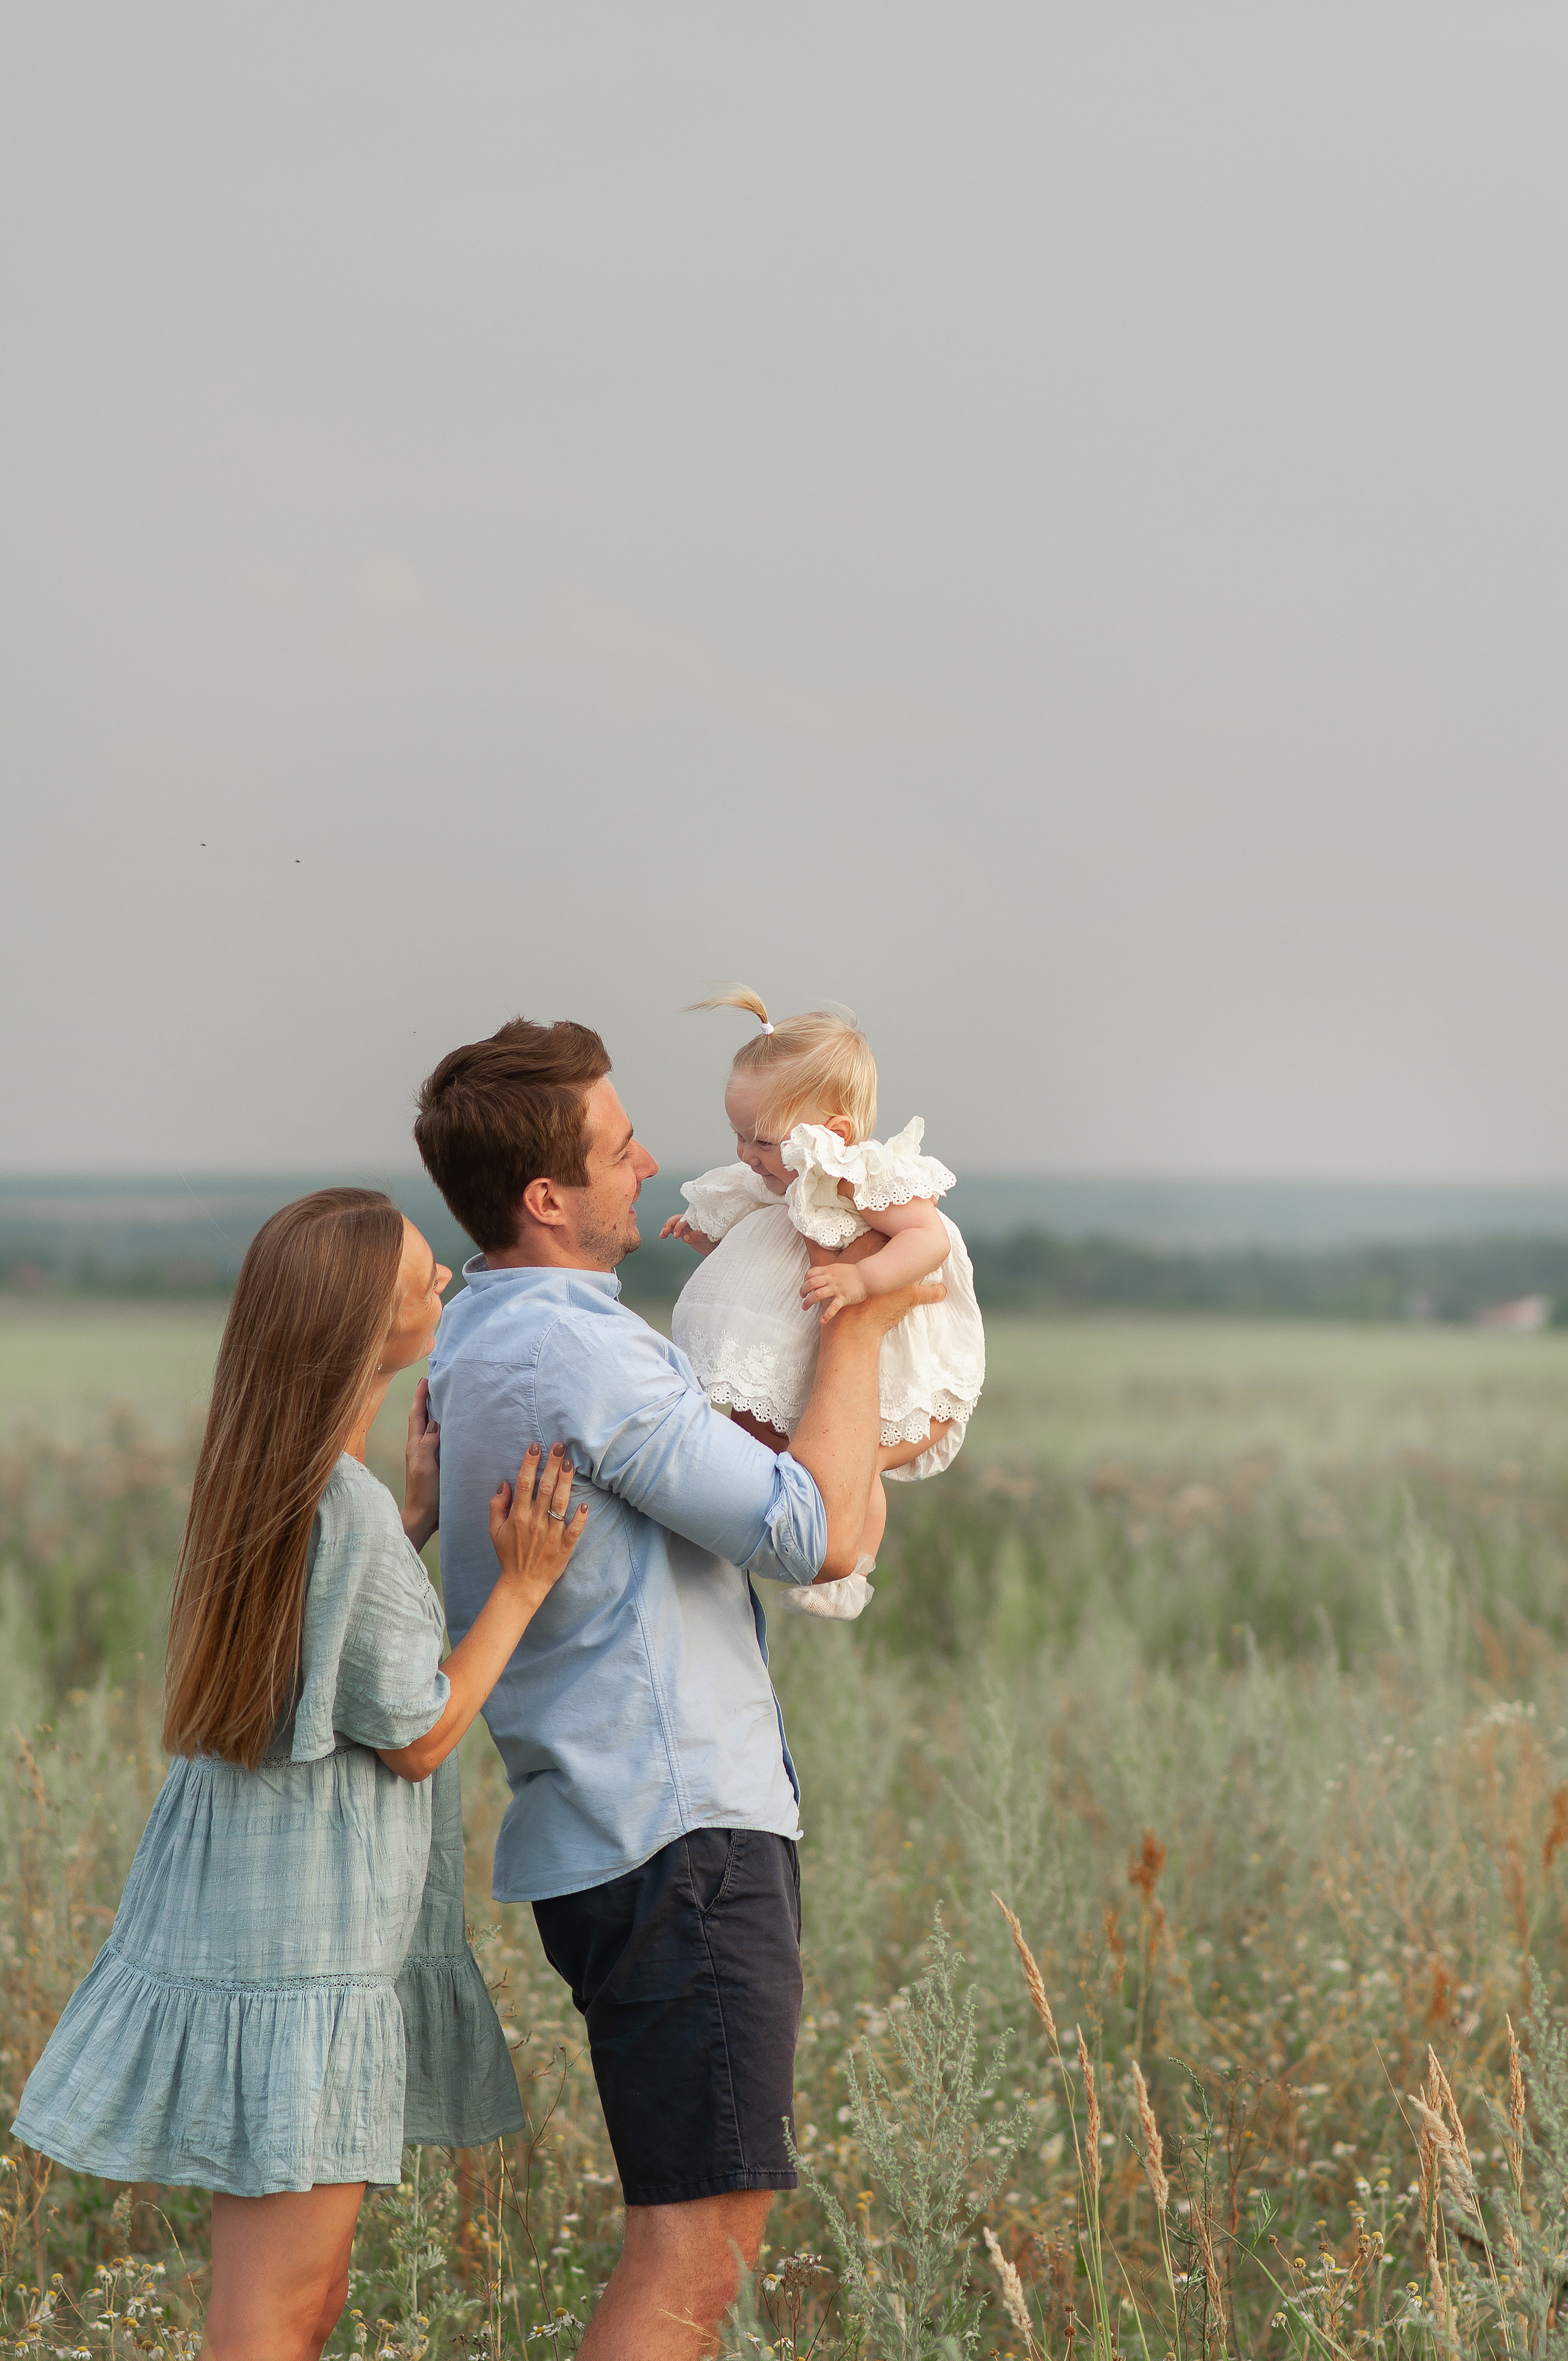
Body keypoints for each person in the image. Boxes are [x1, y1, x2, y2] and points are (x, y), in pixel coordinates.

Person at [414, 1017, 944, 2361]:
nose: (648, 1160)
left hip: (620, 1823)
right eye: (614, 1145)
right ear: (546, 1197)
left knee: (699, 2217)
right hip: (676, 1829)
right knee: (700, 2240)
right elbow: (818, 1534)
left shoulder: (480, 1334)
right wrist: (867, 1315)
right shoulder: (586, 1356)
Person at [12, 1188, 586, 2361]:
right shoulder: (346, 1508)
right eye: (424, 1277)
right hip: (305, 1953)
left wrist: (417, 1526)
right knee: (275, 2319)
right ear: (355, 1326)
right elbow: (419, 1732)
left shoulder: (283, 1481)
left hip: (264, 1926)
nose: (443, 1285)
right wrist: (521, 1585)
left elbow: (330, 1646)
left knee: (293, 2310)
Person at [662, 986, 985, 1620]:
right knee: (774, 1439)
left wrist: (865, 1282)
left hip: (864, 1326)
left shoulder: (859, 1177)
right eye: (737, 1136)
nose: (744, 1155)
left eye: (759, 1140)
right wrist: (713, 1242)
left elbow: (927, 1237)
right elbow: (769, 1270)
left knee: (854, 1455)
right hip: (809, 1330)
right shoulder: (778, 1180)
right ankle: (751, 1532)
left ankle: (850, 1563)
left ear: (831, 1133)